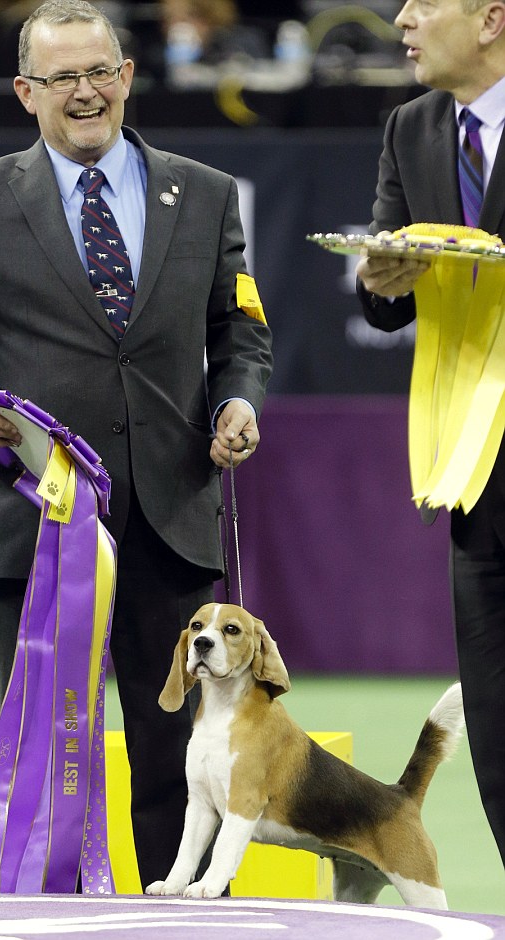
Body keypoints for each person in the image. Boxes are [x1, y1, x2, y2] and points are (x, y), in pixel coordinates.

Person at [0, 0, 272, 891]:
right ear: (26, 92)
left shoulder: (208, 192)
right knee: (38, 764)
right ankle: (47, 918)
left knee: (179, 767)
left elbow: (242, 331)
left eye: (100, 71)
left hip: (171, 518)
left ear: (128, 76)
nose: (86, 92)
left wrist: (239, 402)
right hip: (38, 523)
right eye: (62, 77)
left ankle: (174, 919)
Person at [355, 0, 505, 868]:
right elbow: (384, 299)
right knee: (494, 717)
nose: (403, 18)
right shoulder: (411, 126)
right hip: (472, 474)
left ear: (490, 20)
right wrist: (380, 278)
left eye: (424, 3)